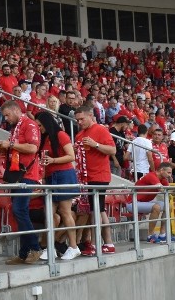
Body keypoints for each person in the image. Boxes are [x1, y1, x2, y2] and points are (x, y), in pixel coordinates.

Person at [0, 100, 43, 265]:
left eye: (7, 115)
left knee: (19, 210)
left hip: (27, 175)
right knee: (19, 212)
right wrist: (6, 149)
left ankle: (35, 248)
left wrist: (11, 144)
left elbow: (32, 148)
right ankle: (24, 253)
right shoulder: (15, 127)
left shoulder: (29, 124)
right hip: (17, 175)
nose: (6, 119)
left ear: (16, 110)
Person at [36, 110, 81, 261]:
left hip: (63, 175)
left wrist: (53, 161)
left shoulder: (61, 135)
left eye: (40, 125)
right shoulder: (46, 138)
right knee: (49, 212)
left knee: (65, 211)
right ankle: (50, 247)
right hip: (51, 177)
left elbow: (71, 156)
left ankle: (73, 247)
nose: (39, 128)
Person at [74, 104, 116, 255]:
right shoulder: (80, 135)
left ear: (90, 116)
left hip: (99, 176)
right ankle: (106, 244)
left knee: (97, 210)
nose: (79, 122)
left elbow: (112, 150)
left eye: (81, 119)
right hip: (86, 177)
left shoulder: (100, 130)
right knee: (98, 210)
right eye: (77, 120)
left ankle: (96, 244)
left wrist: (95, 144)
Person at [128, 163, 174, 244]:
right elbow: (162, 189)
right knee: (156, 207)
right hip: (132, 203)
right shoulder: (151, 176)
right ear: (161, 170)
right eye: (168, 172)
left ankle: (162, 234)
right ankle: (150, 235)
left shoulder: (163, 179)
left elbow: (170, 191)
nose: (170, 175)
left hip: (144, 202)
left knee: (168, 206)